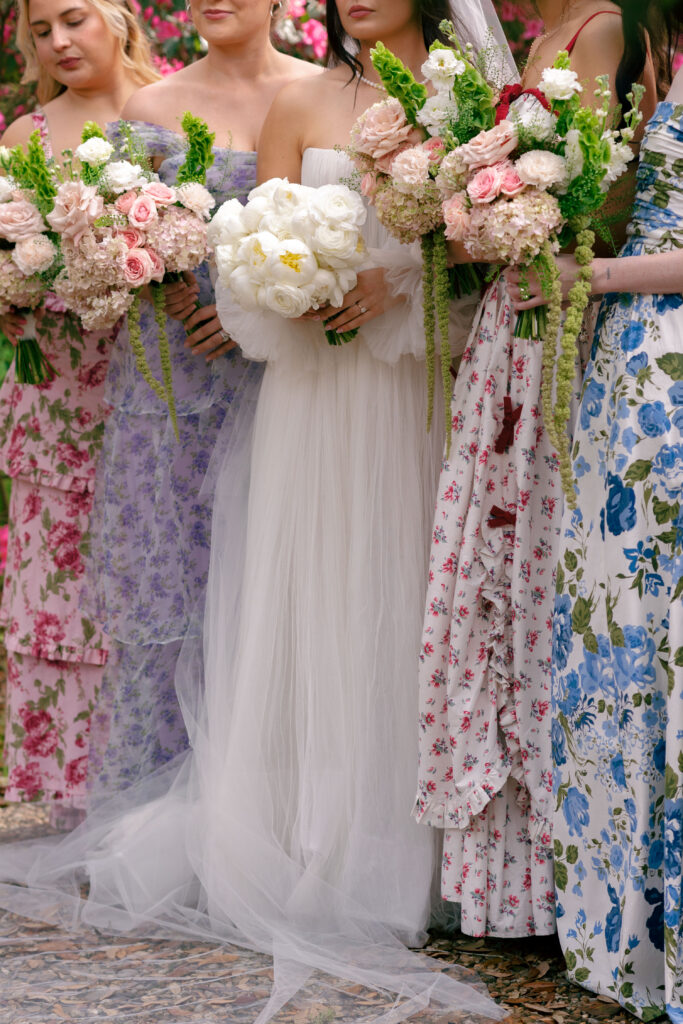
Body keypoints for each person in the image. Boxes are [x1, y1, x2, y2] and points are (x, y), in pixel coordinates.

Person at [0, 2, 512, 1021]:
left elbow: (489, 255)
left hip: (412, 388)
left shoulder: (473, 102)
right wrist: (284, 295)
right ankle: (304, 835)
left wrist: (400, 281)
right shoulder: (305, 101)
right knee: (309, 605)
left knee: (404, 604)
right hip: (308, 399)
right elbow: (250, 259)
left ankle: (421, 850)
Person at [414, 0, 658, 940]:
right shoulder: (533, 39)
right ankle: (501, 886)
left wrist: (505, 213)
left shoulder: (599, 27)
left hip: (559, 333)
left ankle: (557, 888)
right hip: (506, 331)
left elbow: (600, 207)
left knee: (529, 587)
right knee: (483, 583)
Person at [80, 0, 318, 801]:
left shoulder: (322, 93)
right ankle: (155, 802)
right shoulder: (150, 109)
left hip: (294, 378)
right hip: (175, 381)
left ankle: (262, 807)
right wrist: (167, 281)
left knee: (276, 591)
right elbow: (115, 243)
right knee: (173, 593)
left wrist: (257, 313)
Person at [508, 0, 683, 1013]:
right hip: (622, 375)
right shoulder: (648, 49)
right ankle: (620, 934)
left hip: (649, 343)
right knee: (610, 638)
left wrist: (594, 274)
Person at [0, 0, 158, 830]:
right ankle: (66, 787)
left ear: (118, 20)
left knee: (146, 563)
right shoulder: (26, 137)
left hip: (152, 378)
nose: (58, 42)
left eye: (73, 21)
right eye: (39, 31)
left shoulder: (168, 111)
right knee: (62, 578)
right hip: (56, 391)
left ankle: (145, 778)